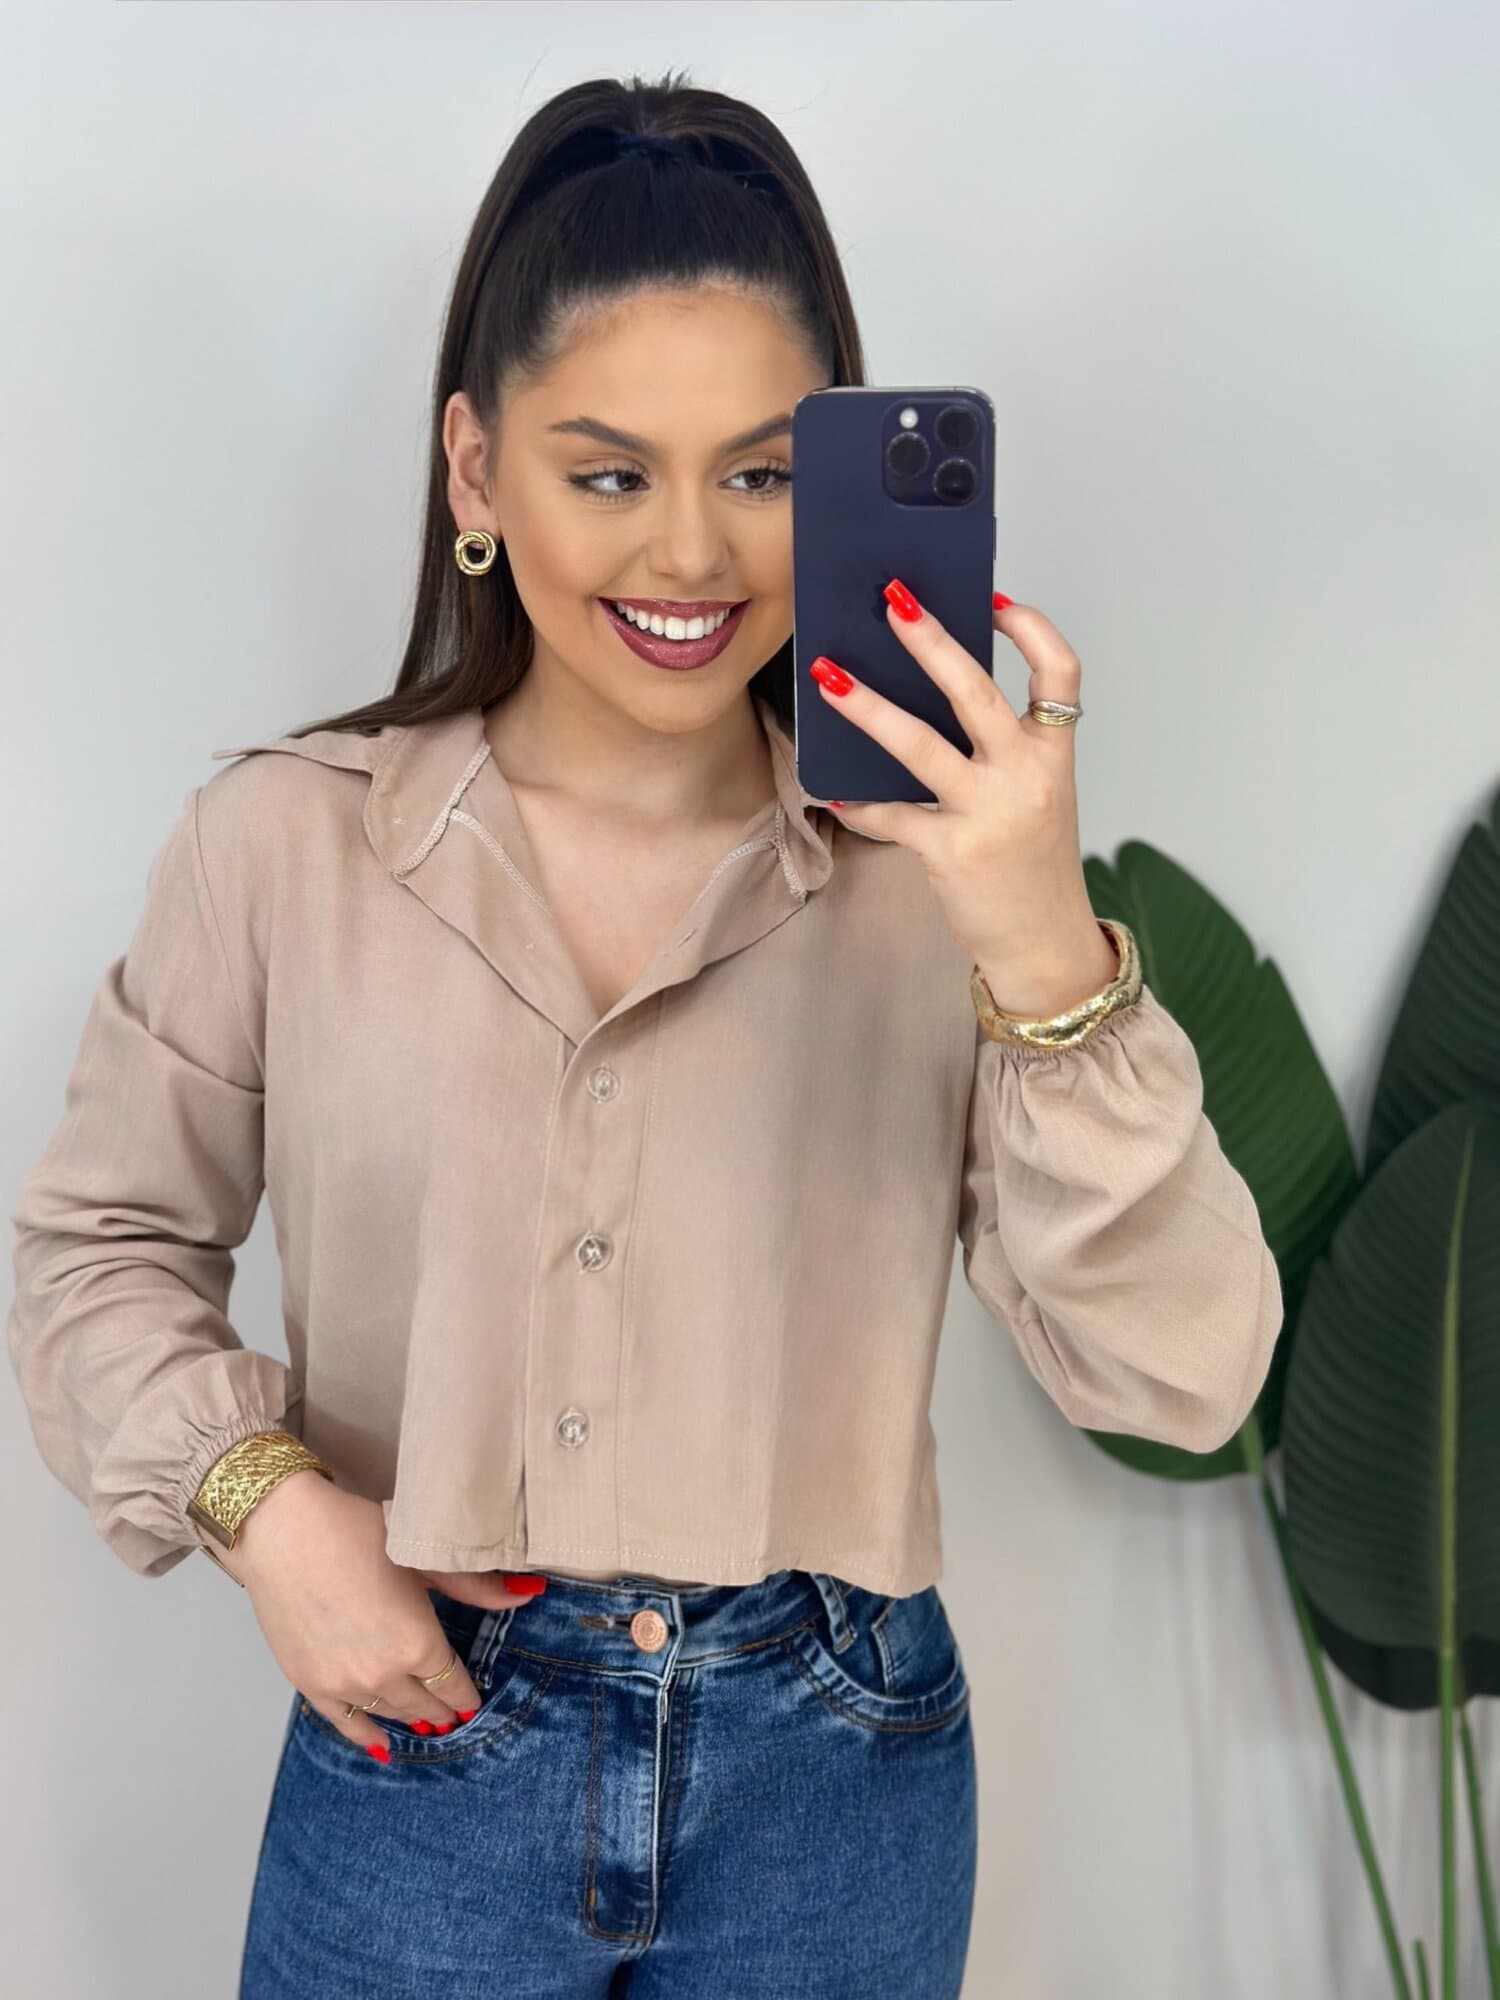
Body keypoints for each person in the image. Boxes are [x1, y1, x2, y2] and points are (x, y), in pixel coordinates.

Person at [6, 68, 1283, 1999]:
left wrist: (1037, 941)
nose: (691, 555)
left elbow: (1180, 1380)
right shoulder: (280, 845)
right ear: (473, 470)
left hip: (837, 1776)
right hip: (421, 1738)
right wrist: (269, 1517)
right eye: (608, 474)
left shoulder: (945, 893)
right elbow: (97, 1251)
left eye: (760, 475)